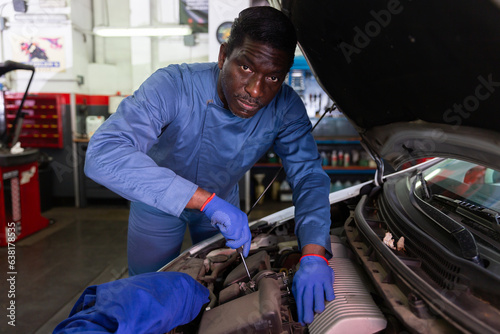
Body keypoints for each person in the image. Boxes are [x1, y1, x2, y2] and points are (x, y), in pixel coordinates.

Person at [85, 6, 334, 325]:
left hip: (222, 206)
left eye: (272, 76)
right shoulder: (174, 85)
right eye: (245, 66)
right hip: (158, 205)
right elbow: (104, 153)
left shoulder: (286, 109)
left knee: (224, 285)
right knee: (147, 293)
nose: (256, 91)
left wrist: (314, 253)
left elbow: (309, 178)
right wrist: (206, 201)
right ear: (222, 56)